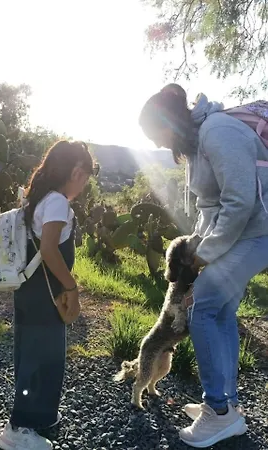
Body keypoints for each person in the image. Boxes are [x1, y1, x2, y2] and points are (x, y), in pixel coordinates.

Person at [138, 84, 268, 448]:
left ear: (170, 122)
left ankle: (218, 412)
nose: (157, 143)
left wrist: (204, 255)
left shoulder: (218, 131)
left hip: (259, 231)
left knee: (204, 306)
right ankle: (228, 406)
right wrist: (197, 243)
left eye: (156, 134)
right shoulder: (198, 142)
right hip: (241, 233)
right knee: (221, 310)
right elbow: (210, 207)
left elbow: (239, 202)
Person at [0, 140, 97, 450]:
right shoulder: (57, 203)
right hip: (46, 293)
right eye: (85, 178)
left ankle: (35, 418)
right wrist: (72, 287)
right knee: (42, 358)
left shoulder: (39, 198)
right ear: (76, 172)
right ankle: (20, 428)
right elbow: (50, 249)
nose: (83, 186)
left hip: (32, 290)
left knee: (34, 354)